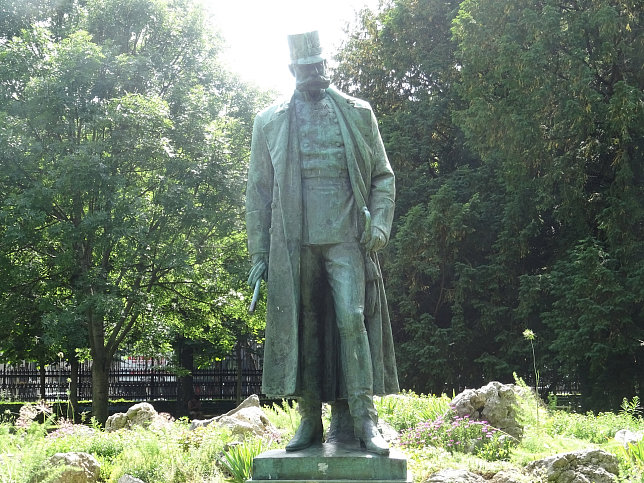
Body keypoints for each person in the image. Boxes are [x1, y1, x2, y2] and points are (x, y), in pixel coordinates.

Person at [246, 31, 398, 455]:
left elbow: (383, 177)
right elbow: (257, 192)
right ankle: (309, 419)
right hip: (294, 242)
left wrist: (380, 227)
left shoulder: (357, 113)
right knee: (306, 328)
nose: (316, 74)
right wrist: (258, 254)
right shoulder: (269, 121)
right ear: (293, 71)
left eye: (320, 66)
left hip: (346, 235)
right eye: (307, 68)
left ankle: (364, 419)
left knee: (352, 318)